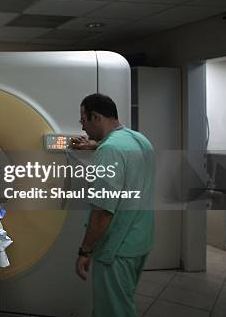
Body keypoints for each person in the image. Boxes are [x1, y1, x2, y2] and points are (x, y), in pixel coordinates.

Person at [70, 93, 155, 317]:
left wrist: (85, 250)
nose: (83, 128)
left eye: (83, 121)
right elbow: (125, 162)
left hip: (115, 247)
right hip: (139, 240)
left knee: (113, 311)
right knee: (122, 301)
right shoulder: (139, 140)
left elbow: (103, 212)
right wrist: (96, 146)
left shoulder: (110, 150)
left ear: (95, 117)